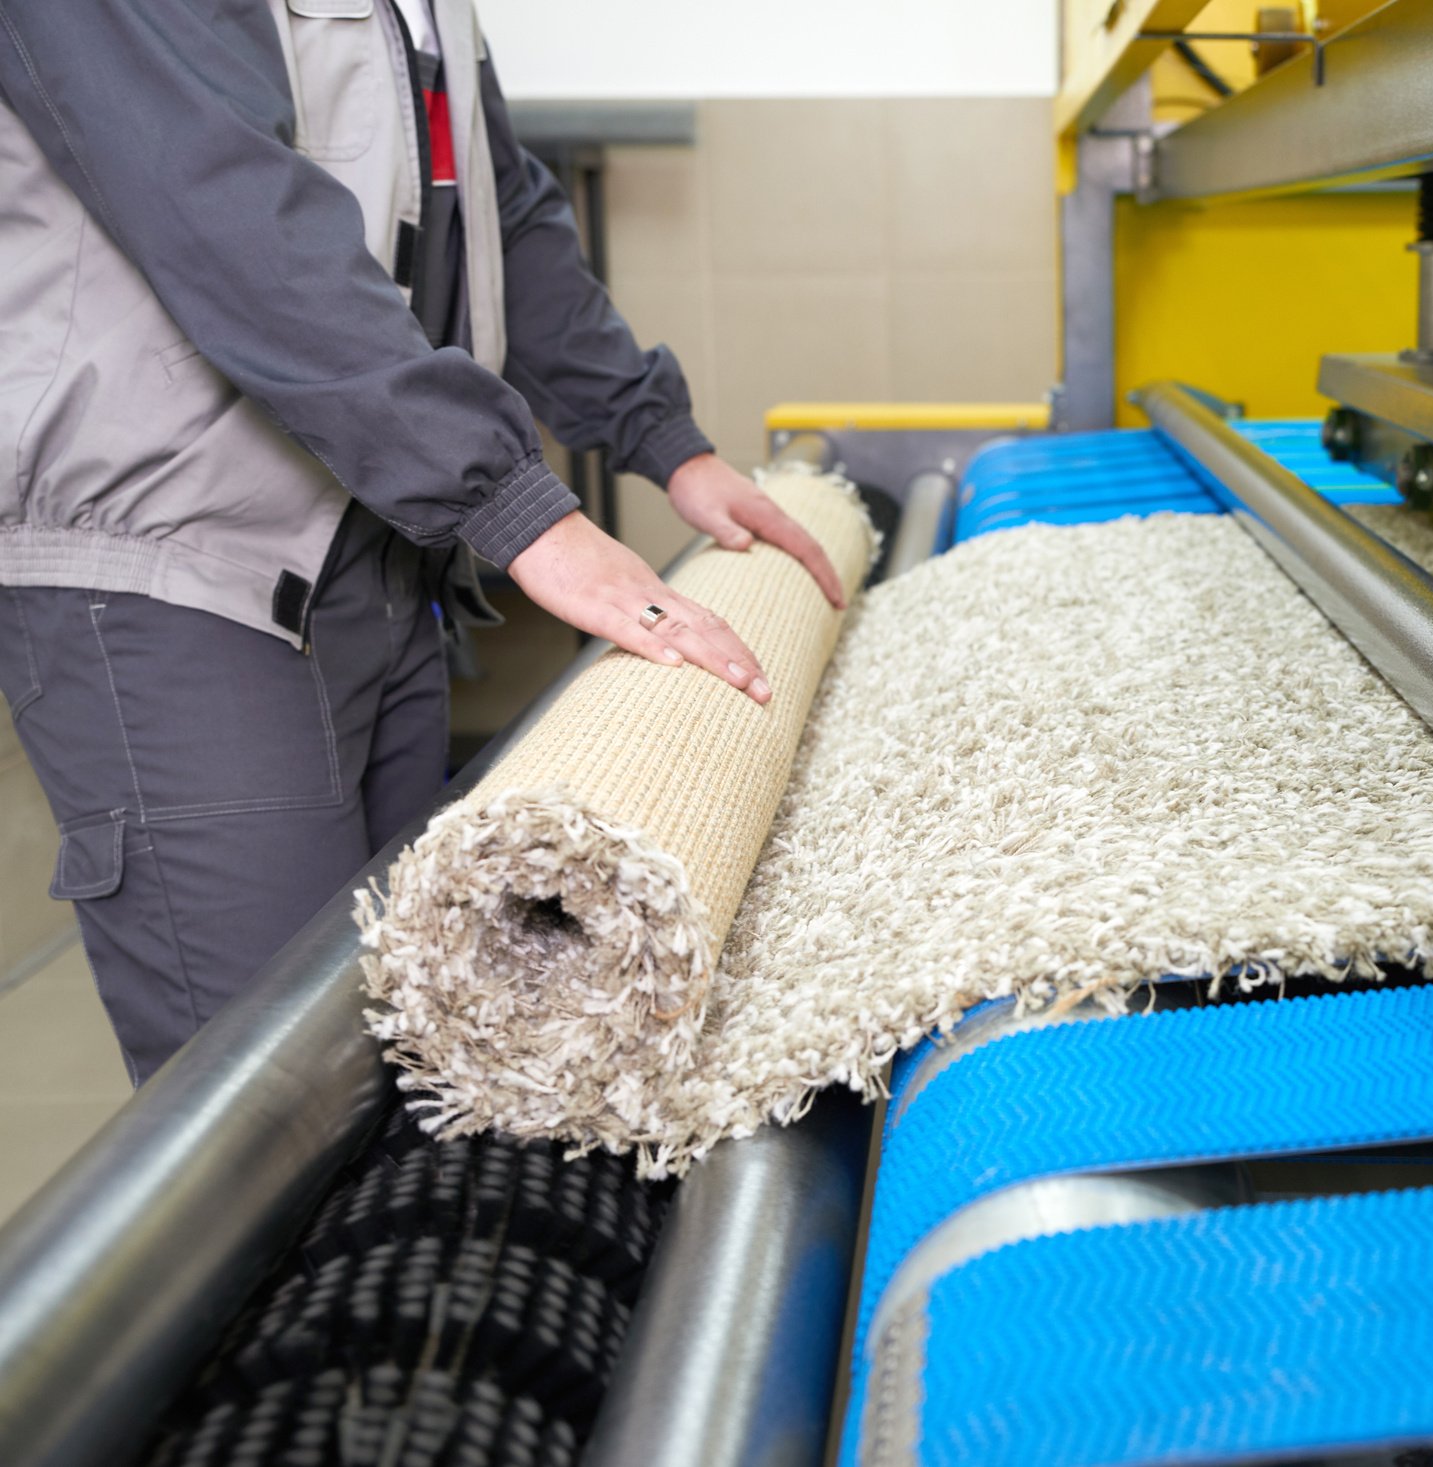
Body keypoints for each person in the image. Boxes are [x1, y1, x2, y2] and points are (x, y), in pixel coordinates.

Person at [0, 0, 846, 1084]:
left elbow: (505, 217)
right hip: (181, 568)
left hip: (373, 551)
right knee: (270, 1106)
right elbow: (227, 209)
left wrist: (663, 441)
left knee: (418, 1043)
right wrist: (519, 509)